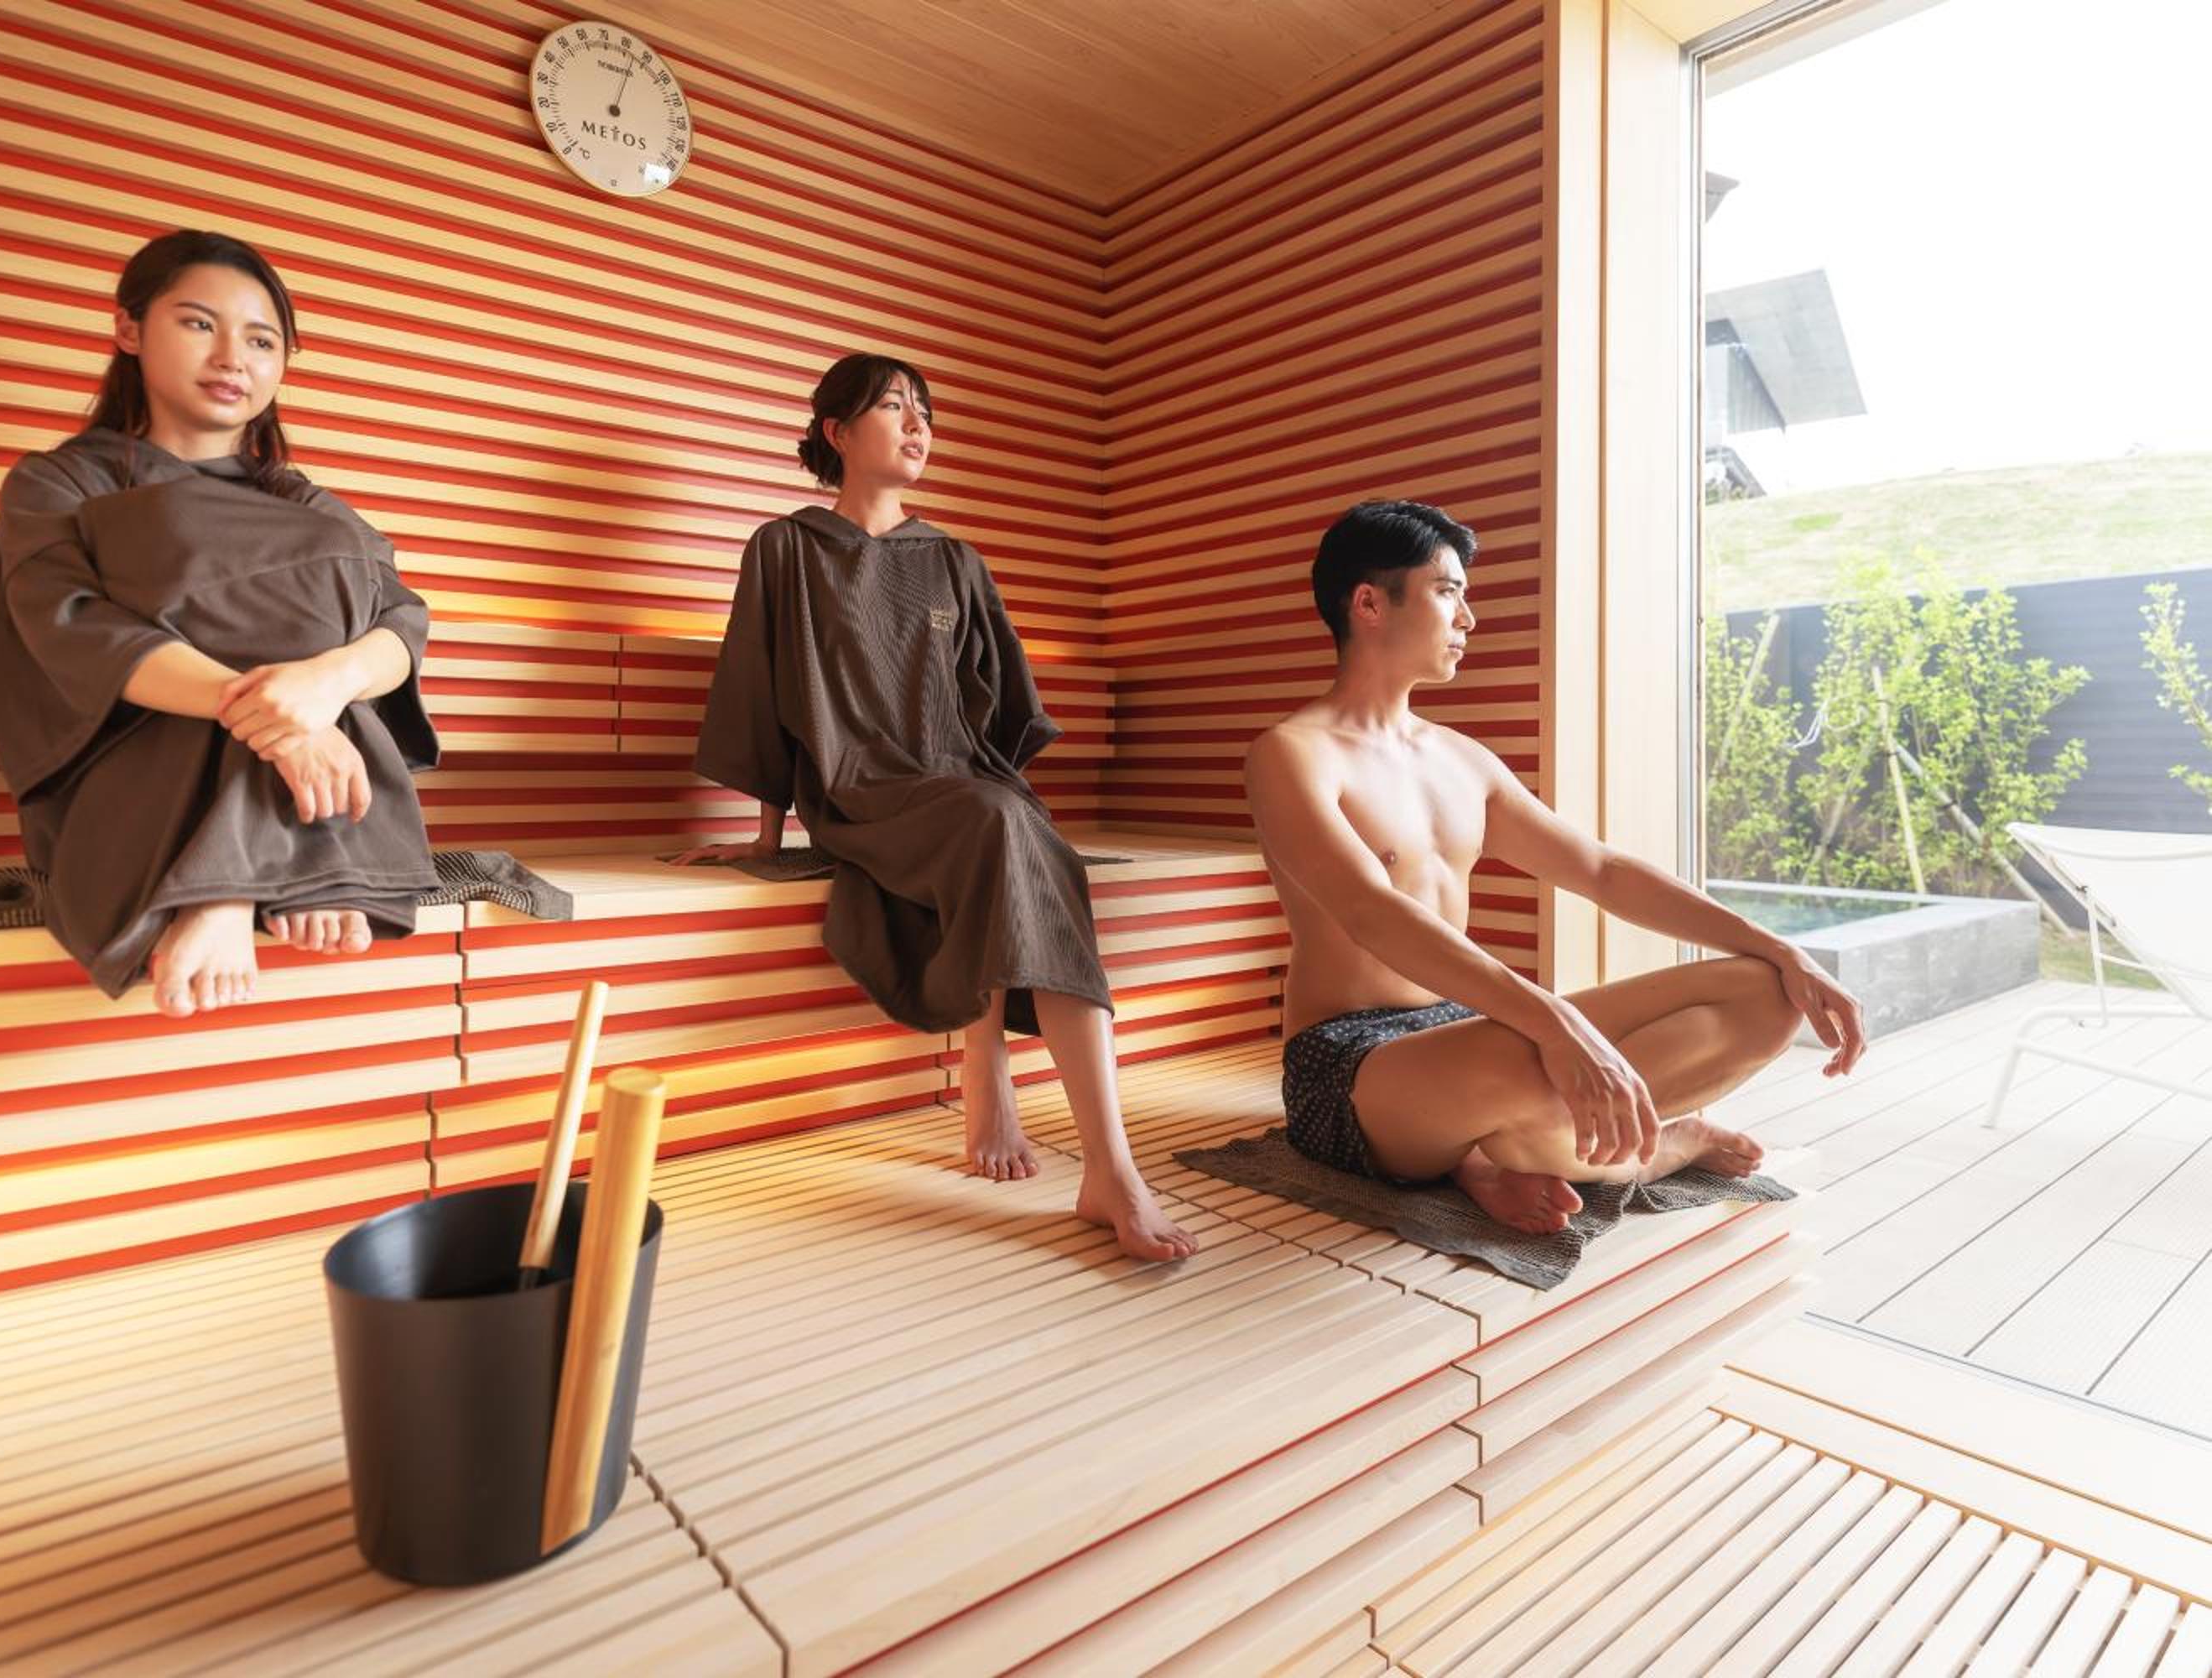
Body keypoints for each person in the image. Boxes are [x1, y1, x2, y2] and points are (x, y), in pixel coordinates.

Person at [672, 352, 1196, 1260]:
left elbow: (998, 700)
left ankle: (1102, 1159)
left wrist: (984, 777)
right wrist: (764, 834)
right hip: (859, 786)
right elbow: (755, 686)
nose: (918, 425)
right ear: (837, 433)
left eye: (924, 410)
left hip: (958, 785)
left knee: (1008, 822)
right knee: (1000, 823)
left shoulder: (955, 559)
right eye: (893, 407)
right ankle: (999, 1073)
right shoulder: (785, 548)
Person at [1244, 499, 1867, 1233]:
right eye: (1448, 592)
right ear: (1370, 603)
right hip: (1350, 1057)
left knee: (1767, 995)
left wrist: (1782, 950)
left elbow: (1601, 871)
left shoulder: (1463, 760)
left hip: (1463, 1027)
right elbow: (1370, 913)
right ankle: (1652, 1147)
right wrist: (1555, 1020)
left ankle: (1504, 1150)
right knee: (1535, 1064)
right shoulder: (1293, 754)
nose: (1468, 618)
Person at [0, 230, 439, 1019]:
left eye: (261, 341)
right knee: (232, 645)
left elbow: (401, 619)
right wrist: (280, 723)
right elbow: (73, 629)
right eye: (199, 324)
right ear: (129, 329)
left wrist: (323, 687)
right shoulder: (60, 483)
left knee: (316, 625)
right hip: (134, 769)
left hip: (309, 754)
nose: (231, 358)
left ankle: (230, 882)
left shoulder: (304, 502)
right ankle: (241, 881)